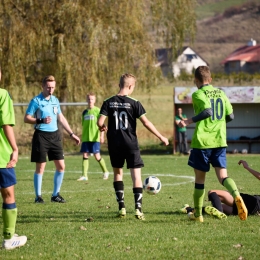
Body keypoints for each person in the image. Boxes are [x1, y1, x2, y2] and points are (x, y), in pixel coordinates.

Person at [178, 65, 247, 222]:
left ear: (196, 80)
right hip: (220, 140)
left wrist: (188, 120)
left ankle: (198, 215)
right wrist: (220, 123)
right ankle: (236, 195)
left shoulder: (198, 94)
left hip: (203, 142)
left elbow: (207, 111)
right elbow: (231, 116)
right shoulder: (221, 93)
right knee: (223, 176)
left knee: (200, 180)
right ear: (210, 79)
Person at [97, 73, 169, 220]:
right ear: (130, 86)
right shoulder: (134, 103)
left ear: (119, 85)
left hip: (114, 143)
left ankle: (122, 208)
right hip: (130, 143)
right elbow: (146, 123)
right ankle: (138, 209)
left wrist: (103, 128)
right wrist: (161, 136)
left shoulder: (108, 102)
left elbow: (99, 122)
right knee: (136, 176)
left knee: (118, 174)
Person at [24, 75, 80, 203]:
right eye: (48, 87)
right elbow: (26, 118)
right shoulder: (36, 101)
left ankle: (55, 195)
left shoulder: (55, 100)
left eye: (53, 87)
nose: (50, 90)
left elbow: (61, 118)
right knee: (40, 168)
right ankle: (38, 197)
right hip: (41, 136)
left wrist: (71, 134)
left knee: (61, 166)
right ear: (42, 86)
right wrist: (40, 120)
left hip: (55, 136)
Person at [0, 65, 27, 249]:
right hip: (1, 155)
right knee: (8, 194)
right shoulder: (2, 94)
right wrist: (15, 148)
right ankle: (9, 238)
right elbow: (6, 124)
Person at [179, 160, 260, 218]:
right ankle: (189, 209)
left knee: (212, 192)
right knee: (220, 207)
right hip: (252, 210)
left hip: (252, 201)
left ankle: (219, 212)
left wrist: (247, 167)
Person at [77, 92, 110, 181]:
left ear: (94, 100)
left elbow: (102, 125)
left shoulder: (98, 111)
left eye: (92, 99)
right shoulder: (84, 112)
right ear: (86, 100)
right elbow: (84, 125)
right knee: (85, 154)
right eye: (88, 99)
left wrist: (102, 136)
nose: (90, 101)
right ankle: (84, 175)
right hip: (86, 137)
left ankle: (106, 171)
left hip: (95, 138)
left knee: (97, 156)